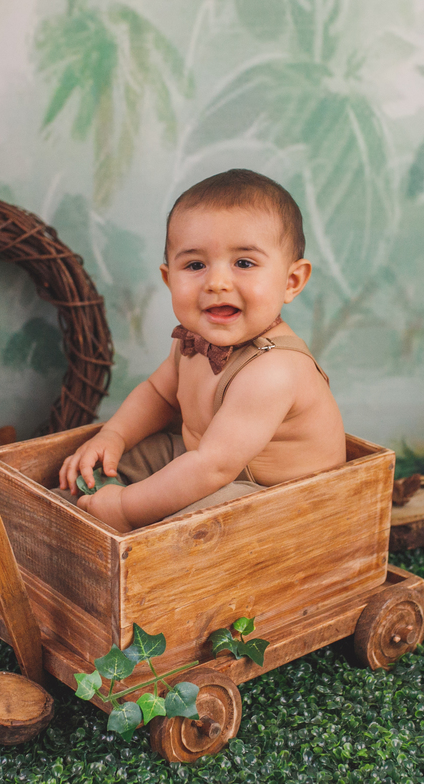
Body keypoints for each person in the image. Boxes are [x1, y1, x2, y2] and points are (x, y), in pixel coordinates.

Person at [59, 169, 346, 532]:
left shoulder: (274, 371)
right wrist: (113, 435)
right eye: (195, 265)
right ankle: (68, 508)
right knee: (121, 461)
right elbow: (158, 395)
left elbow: (213, 467)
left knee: (198, 522)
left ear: (291, 282)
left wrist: (129, 509)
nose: (217, 283)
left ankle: (131, 526)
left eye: (244, 263)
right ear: (169, 278)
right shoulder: (191, 341)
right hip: (199, 462)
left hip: (281, 502)